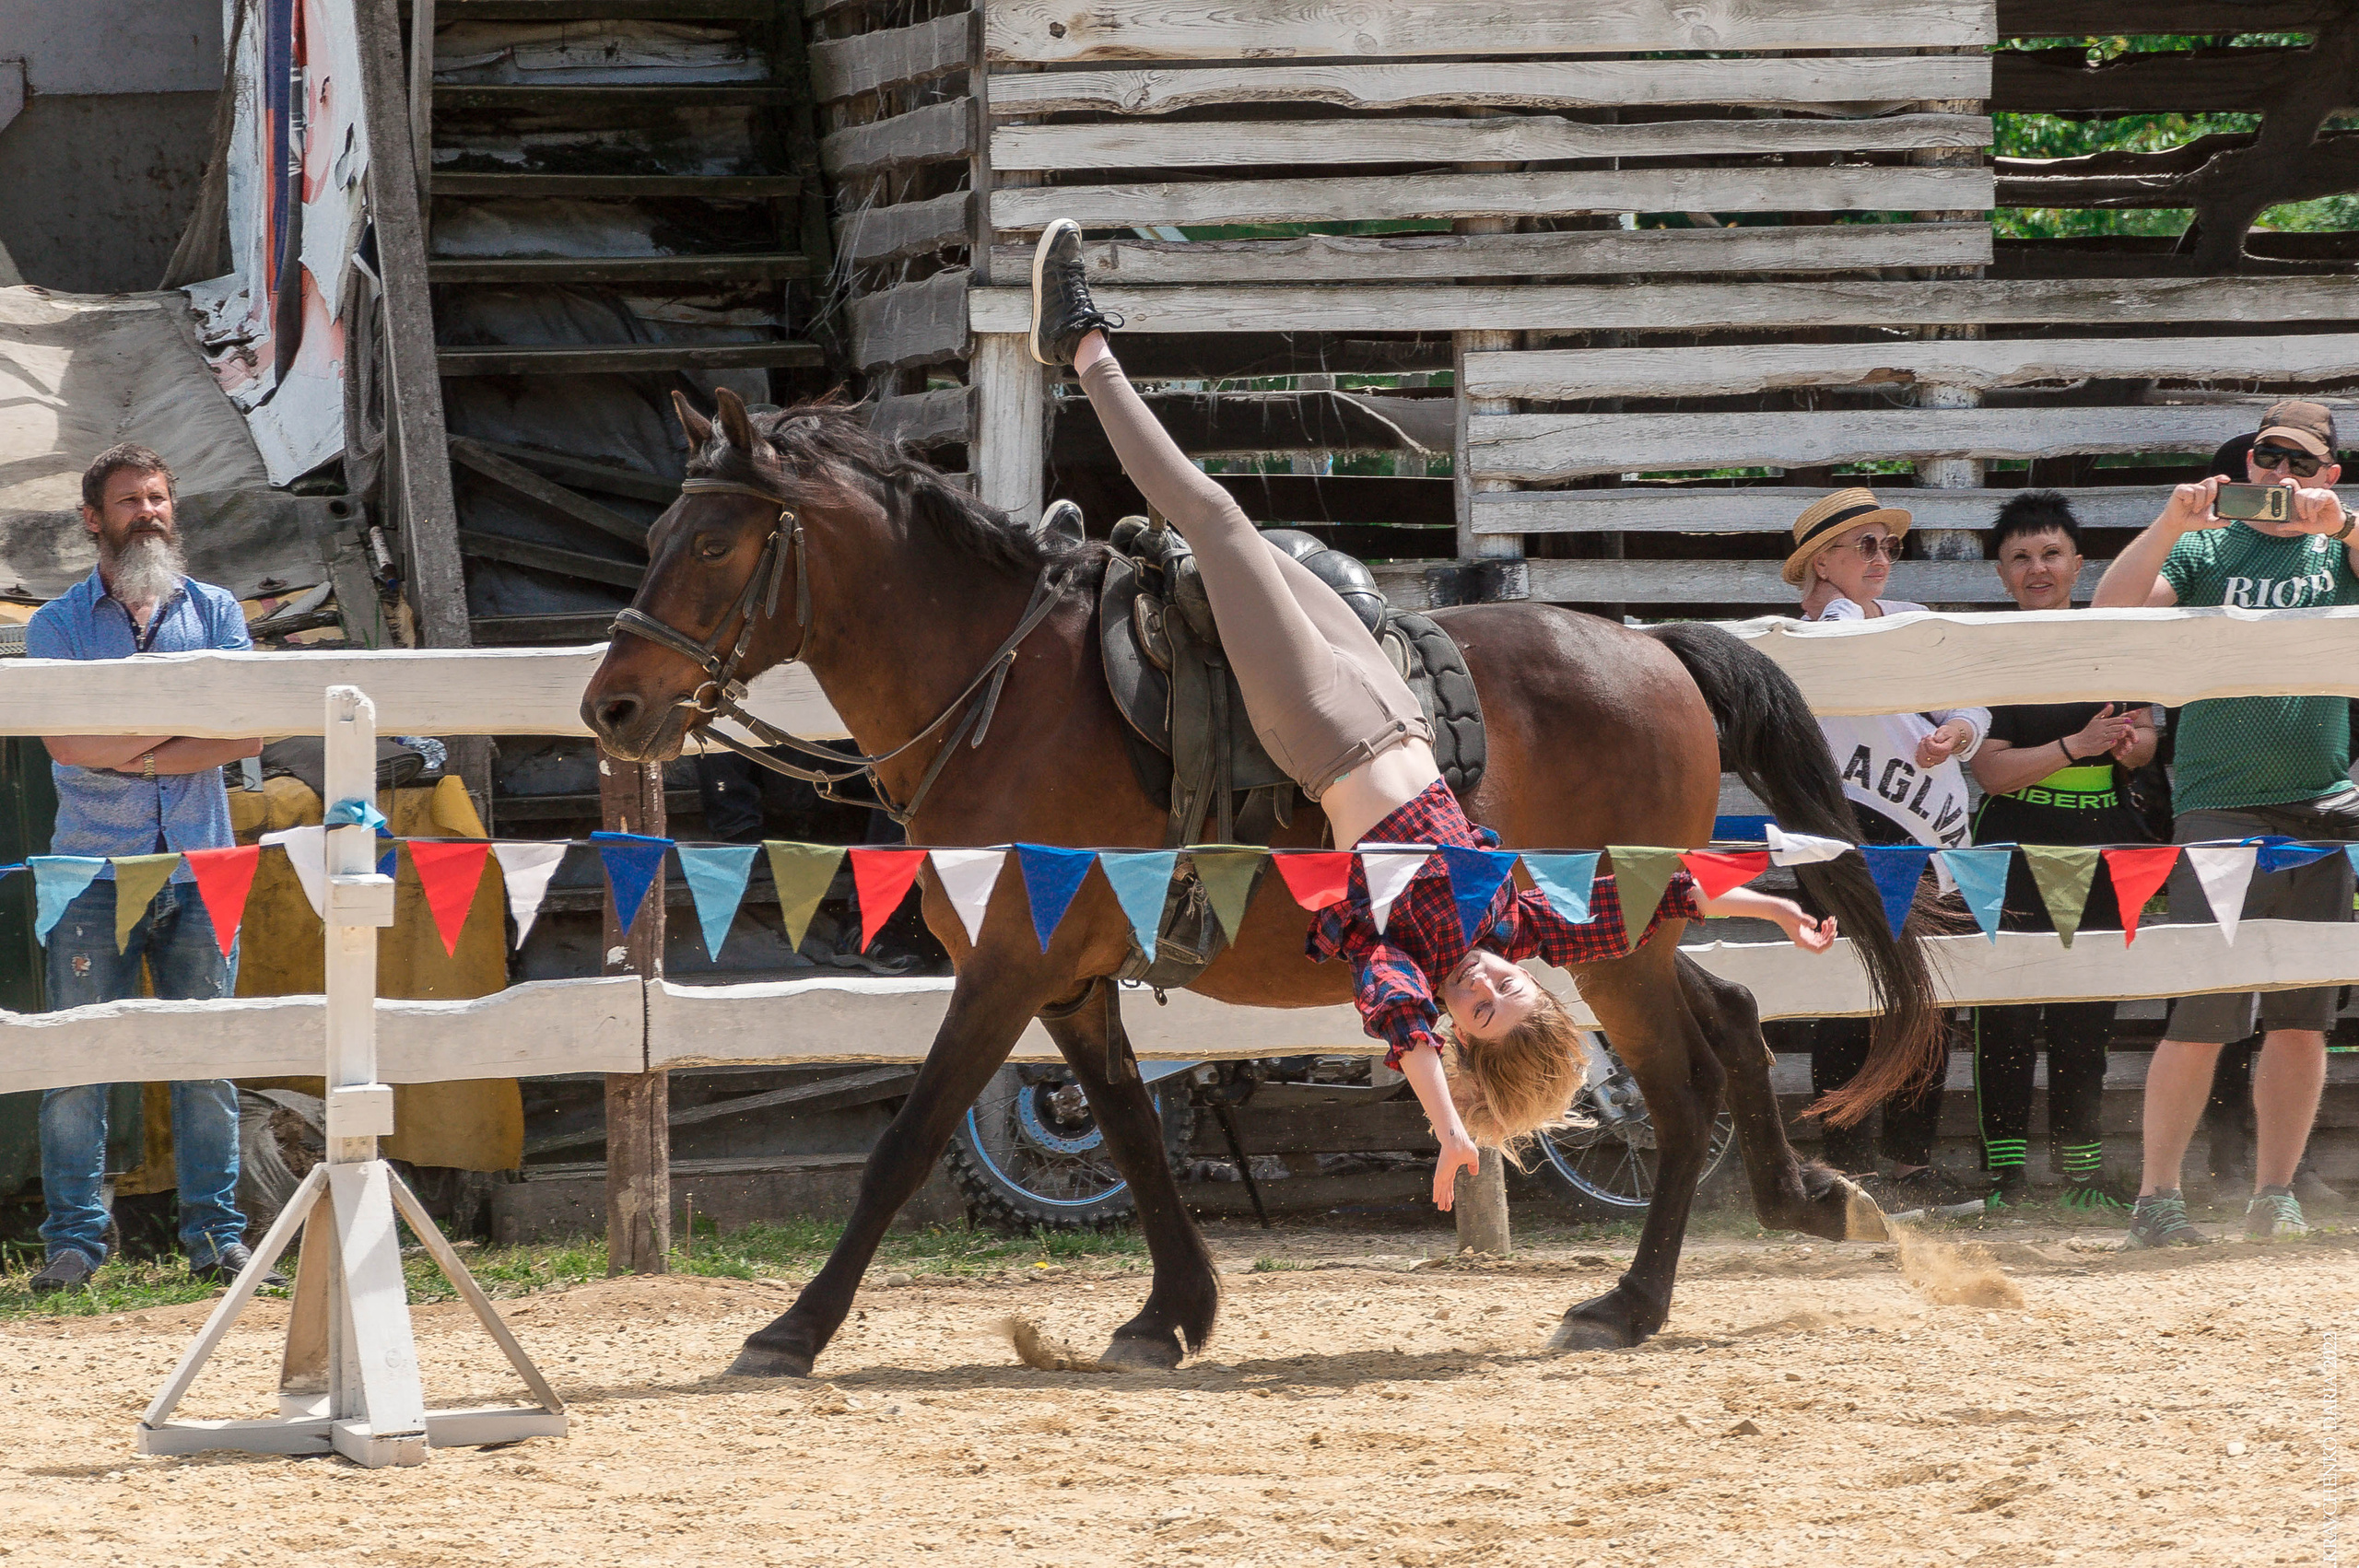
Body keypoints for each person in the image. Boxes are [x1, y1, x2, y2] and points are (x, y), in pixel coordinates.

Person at [1027, 219, 1837, 1206]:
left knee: (1216, 518)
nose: (1486, 988)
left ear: (1459, 1032)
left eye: (1480, 1012)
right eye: (1511, 993)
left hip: (1325, 730)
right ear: (1538, 985)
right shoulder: (1523, 919)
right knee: (1245, 558)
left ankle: (1080, 344)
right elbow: (1662, 892)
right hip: (1396, 705)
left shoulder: (1399, 964)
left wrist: (1451, 1128)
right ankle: (1063, 561)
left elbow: (1403, 1034)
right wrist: (1774, 905)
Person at [2091, 399, 2359, 1246]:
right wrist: (2169, 522)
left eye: (2301, 464)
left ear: (2330, 474)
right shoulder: (2204, 547)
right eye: (2268, 458)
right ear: (2246, 465)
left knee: (2303, 1019)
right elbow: (2110, 613)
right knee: (2203, 1014)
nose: (2280, 477)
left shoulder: (2342, 546)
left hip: (2324, 805)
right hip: (2217, 805)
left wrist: (2345, 526)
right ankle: (2157, 1201)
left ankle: (2274, 1196)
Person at [23, 445, 266, 1294]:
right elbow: (65, 743)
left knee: (208, 1062)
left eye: (158, 497)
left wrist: (132, 748)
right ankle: (74, 1246)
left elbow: (247, 733)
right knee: (76, 1066)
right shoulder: (55, 625)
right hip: (91, 875)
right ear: (93, 518)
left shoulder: (218, 609)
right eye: (129, 501)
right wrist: (184, 729)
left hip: (204, 870)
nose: (148, 513)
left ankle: (216, 1240)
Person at [1783, 488, 1989, 1205]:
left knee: (1930, 999)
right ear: (1823, 561)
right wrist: (1833, 609)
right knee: (1851, 994)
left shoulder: (1911, 619)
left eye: (1888, 545)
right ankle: (1849, 1171)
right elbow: (1839, 649)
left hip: (1927, 834)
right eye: (1865, 546)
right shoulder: (1802, 636)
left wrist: (1958, 731)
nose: (1882, 558)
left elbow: (1971, 698)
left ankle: (1910, 1163)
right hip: (1843, 828)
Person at [1968, 492, 2156, 1211]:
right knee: (2005, 1015)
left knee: (2087, 1013)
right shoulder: (1989, 652)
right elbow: (1990, 771)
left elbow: (2144, 742)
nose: (2037, 568)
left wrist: (2131, 746)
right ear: (2001, 574)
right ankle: (2006, 1179)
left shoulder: (2114, 642)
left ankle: (2081, 1177)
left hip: (2108, 844)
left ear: (2079, 564)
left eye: (2051, 553)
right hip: (2010, 846)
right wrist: (2079, 745)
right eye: (2020, 557)